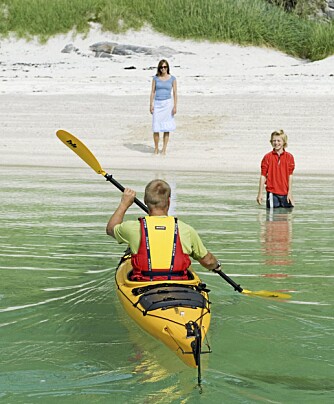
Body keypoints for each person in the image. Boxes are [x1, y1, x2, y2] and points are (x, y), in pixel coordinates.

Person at [106, 179, 221, 281]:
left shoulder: (133, 228)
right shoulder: (185, 229)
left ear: (145, 200)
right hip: (179, 284)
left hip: (144, 283)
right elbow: (208, 261)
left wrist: (124, 204)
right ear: (169, 201)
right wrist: (216, 266)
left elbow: (111, 229)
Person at [257, 129, 295, 209]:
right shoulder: (267, 157)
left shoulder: (289, 157)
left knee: (287, 218)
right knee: (271, 218)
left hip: (286, 193)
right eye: (274, 141)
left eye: (279, 140)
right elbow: (263, 176)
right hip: (272, 193)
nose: (276, 143)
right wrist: (260, 193)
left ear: (284, 142)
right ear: (271, 142)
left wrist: (290, 193)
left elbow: (290, 176)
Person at [149, 60, 177, 155]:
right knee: (156, 127)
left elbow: (175, 93)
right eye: (161, 67)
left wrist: (175, 106)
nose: (163, 69)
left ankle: (164, 149)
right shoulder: (155, 78)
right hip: (157, 104)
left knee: (166, 127)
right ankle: (156, 148)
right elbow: (152, 92)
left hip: (167, 104)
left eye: (165, 67)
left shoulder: (172, 79)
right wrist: (151, 104)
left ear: (167, 68)